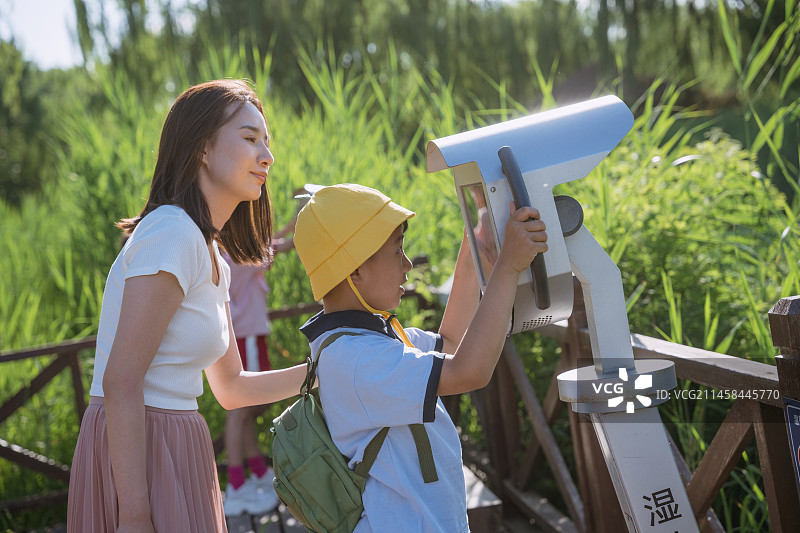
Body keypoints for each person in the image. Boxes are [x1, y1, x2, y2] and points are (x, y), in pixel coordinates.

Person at [67, 79, 308, 533]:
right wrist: (134, 513)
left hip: (181, 445)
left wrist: (317, 374)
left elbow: (231, 387)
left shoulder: (211, 252)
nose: (267, 157)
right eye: (251, 138)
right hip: (141, 447)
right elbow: (120, 381)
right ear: (202, 147)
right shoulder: (171, 233)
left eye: (268, 143)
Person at [293, 183, 548, 532]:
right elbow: (469, 371)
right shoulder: (356, 360)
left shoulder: (371, 340)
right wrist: (507, 269)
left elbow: (451, 343)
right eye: (398, 250)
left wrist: (478, 245)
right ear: (354, 271)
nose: (408, 264)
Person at [220, 220, 294, 516]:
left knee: (248, 409)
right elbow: (278, 249)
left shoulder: (230, 254)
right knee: (240, 410)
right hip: (246, 336)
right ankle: (236, 487)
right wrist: (297, 231)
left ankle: (255, 472)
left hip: (246, 336)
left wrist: (290, 225)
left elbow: (270, 246)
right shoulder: (239, 257)